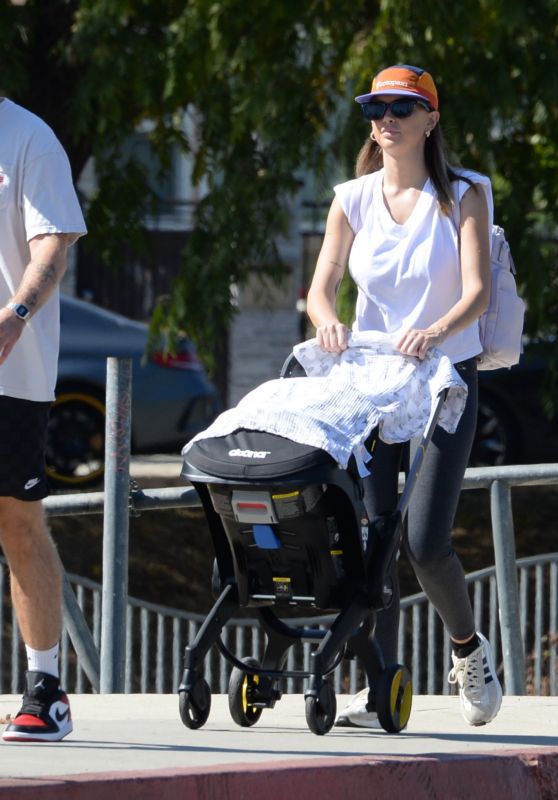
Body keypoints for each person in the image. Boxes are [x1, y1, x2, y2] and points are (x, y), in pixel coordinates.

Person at [306, 64, 503, 728]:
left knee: (424, 540)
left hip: (446, 376)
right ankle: (380, 684)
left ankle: (467, 650)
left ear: (431, 120)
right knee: (374, 537)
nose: (385, 119)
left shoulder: (464, 194)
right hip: (375, 382)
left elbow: (477, 288)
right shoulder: (352, 198)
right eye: (376, 108)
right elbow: (321, 281)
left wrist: (437, 330)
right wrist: (325, 318)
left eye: (402, 107)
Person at [0, 95, 87, 742]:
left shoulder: (29, 136)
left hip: (12, 373)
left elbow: (51, 246)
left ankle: (45, 690)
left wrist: (16, 315)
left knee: (17, 521)